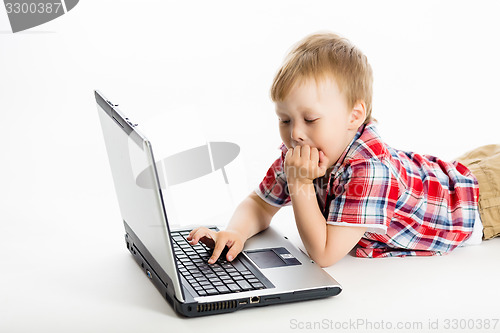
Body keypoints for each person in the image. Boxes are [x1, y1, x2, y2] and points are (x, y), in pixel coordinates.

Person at [187, 32, 500, 267]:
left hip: (479, 203)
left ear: (354, 117)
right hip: (456, 174)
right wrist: (236, 232)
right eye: (284, 119)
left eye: (310, 119)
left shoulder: (369, 170)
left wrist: (299, 184)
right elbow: (259, 202)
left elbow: (324, 253)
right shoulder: (302, 147)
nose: (295, 133)